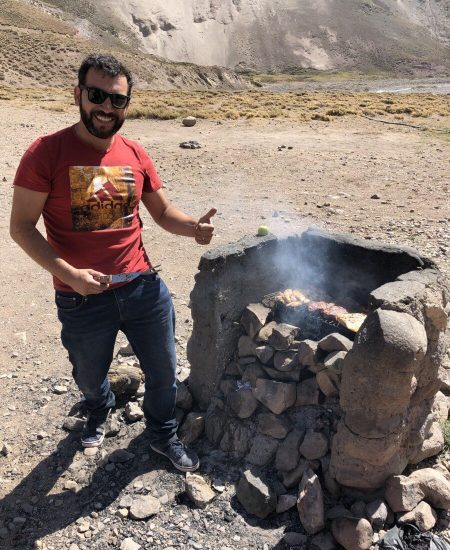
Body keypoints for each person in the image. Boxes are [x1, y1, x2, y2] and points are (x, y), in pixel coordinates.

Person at [9, 53, 216, 473]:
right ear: (79, 95)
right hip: (81, 298)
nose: (106, 107)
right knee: (88, 375)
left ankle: (162, 433)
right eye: (96, 95)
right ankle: (99, 407)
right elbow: (22, 227)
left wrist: (193, 227)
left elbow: (160, 212)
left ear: (127, 105)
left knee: (164, 372)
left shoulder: (135, 152)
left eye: (116, 100)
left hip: (141, 286)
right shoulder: (46, 153)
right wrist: (68, 274)